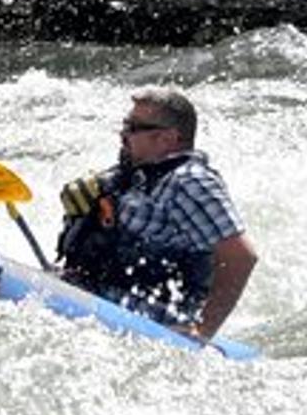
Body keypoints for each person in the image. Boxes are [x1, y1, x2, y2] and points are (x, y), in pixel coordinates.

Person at [56, 88, 258, 338]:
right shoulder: (139, 173)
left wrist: (203, 329)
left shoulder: (190, 182)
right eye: (124, 124)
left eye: (133, 127)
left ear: (168, 139)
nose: (123, 134)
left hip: (149, 318)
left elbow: (241, 256)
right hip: (99, 294)